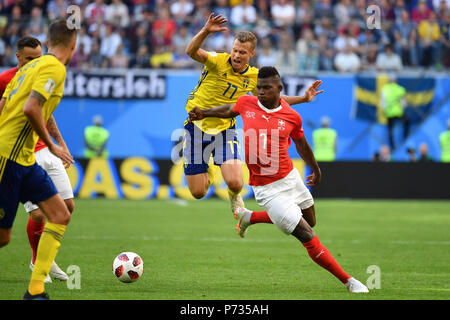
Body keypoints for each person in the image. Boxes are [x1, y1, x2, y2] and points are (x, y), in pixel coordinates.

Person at [188, 66, 368, 293]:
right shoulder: (247, 103)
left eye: (266, 88)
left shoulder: (292, 116)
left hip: (291, 178)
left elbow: (302, 145)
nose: (261, 92)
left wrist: (316, 169)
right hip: (267, 190)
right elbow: (228, 110)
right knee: (307, 234)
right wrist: (205, 112)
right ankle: (349, 281)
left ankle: (248, 217)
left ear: (279, 89)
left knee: (310, 220)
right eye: (259, 88)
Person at [184, 13, 323, 213]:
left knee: (234, 182)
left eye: (242, 52)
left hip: (224, 130)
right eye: (235, 50)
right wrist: (205, 30)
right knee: (198, 192)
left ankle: (234, 196)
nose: (237, 55)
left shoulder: (255, 76)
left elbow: (275, 99)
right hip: (195, 128)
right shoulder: (217, 61)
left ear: (252, 53)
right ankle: (209, 167)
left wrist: (303, 98)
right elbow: (191, 51)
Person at [0, 19, 77, 300]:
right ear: (74, 44)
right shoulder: (54, 67)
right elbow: (32, 107)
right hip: (8, 156)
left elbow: (6, 104)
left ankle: (35, 291)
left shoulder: (31, 67)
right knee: (3, 238)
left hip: (25, 158)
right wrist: (54, 146)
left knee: (60, 214)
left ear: (48, 42)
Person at [380, 74, 409, 150]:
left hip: (389, 113)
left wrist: (385, 110)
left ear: (389, 81)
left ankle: (392, 146)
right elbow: (404, 103)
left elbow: (382, 103)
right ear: (396, 81)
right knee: (407, 120)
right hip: (399, 113)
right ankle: (405, 137)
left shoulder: (384, 89)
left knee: (390, 130)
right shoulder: (400, 89)